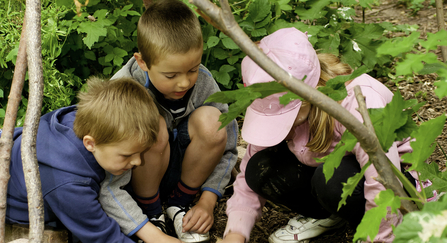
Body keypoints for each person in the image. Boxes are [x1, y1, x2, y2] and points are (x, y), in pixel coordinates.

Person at [221, 27, 415, 243]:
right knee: (261, 169)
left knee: (332, 181)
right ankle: (331, 216)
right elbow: (249, 171)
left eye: (285, 114)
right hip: (331, 174)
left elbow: (383, 180)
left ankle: (374, 226)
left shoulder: (357, 104)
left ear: (308, 95)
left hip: (397, 184)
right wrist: (236, 233)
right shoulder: (294, 107)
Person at [108, 0, 238, 242]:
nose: (185, 83)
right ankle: (152, 212)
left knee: (214, 121)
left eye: (193, 69)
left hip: (190, 173)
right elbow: (108, 162)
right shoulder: (123, 89)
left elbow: (229, 146)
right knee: (150, 125)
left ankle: (179, 206)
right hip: (139, 175)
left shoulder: (205, 82)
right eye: (171, 75)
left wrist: (208, 199)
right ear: (142, 62)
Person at [4, 77, 181, 242]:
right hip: (19, 214)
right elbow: (102, 236)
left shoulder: (86, 122)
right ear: (90, 143)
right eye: (127, 155)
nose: (138, 162)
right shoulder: (70, 183)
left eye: (141, 153)